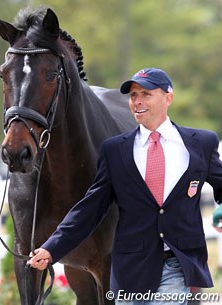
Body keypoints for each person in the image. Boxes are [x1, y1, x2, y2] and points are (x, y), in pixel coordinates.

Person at [29, 68, 222, 305]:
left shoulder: (200, 143)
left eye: (146, 94)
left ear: (168, 97)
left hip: (176, 263)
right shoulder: (115, 150)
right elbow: (91, 207)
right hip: (129, 269)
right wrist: (52, 248)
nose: (137, 101)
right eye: (133, 96)